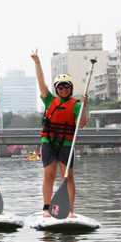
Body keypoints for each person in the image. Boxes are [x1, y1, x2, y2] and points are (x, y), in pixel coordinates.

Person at [31, 49, 87, 218]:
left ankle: (70, 210)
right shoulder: (50, 100)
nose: (63, 89)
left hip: (67, 144)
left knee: (68, 177)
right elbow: (41, 83)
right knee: (49, 176)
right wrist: (37, 63)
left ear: (71, 89)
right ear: (56, 89)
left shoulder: (77, 104)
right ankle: (47, 208)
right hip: (49, 142)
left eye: (66, 87)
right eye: (60, 87)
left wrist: (84, 107)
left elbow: (81, 125)